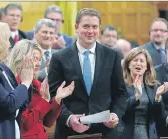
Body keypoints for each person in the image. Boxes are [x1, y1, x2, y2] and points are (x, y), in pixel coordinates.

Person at [48, 8, 127, 139]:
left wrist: (115, 114)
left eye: (94, 27)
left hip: (105, 131)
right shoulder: (59, 58)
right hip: (69, 132)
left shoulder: (112, 56)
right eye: (86, 26)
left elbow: (120, 93)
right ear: (76, 27)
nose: (90, 31)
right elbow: (52, 95)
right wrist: (69, 118)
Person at [7, 39, 75, 139]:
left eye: (40, 59)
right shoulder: (14, 85)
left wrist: (57, 99)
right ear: (21, 58)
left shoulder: (37, 84)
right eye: (34, 59)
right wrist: (44, 101)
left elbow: (47, 122)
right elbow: (25, 124)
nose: (39, 64)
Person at [0, 21, 33, 139]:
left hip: (14, 131)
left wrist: (25, 80)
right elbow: (8, 104)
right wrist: (25, 83)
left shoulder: (4, 68)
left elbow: (22, 103)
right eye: (7, 39)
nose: (9, 44)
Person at [121, 47, 168, 139]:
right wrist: (136, 97)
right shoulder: (120, 85)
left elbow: (158, 116)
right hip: (126, 134)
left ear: (147, 66)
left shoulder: (153, 87)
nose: (138, 63)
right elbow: (120, 112)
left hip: (149, 135)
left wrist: (158, 97)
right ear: (128, 64)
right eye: (135, 60)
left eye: (142, 61)